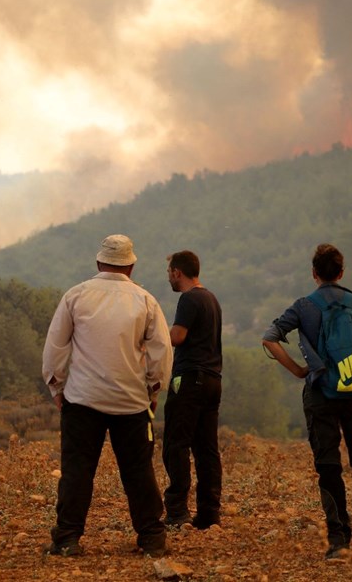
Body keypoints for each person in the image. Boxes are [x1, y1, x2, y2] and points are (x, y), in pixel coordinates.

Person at [262, 244, 352, 561]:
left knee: (328, 466)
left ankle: (339, 541)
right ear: (342, 273)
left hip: (319, 393)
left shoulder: (303, 306)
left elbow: (270, 338)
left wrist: (298, 370)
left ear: (314, 273)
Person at [41, 234, 173, 557]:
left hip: (83, 400)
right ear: (131, 266)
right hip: (131, 402)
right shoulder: (145, 301)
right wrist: (153, 390)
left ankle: (67, 538)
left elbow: (56, 346)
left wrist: (57, 386)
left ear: (99, 262)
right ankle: (152, 538)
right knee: (138, 471)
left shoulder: (76, 296)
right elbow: (161, 353)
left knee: (77, 470)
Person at [162, 250, 223, 529]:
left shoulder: (189, 299)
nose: (169, 278)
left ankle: (177, 512)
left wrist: (152, 335)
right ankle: (209, 513)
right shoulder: (211, 299)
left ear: (177, 272)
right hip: (212, 379)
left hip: (188, 379)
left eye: (169, 273)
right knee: (206, 449)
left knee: (176, 444)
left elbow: (178, 336)